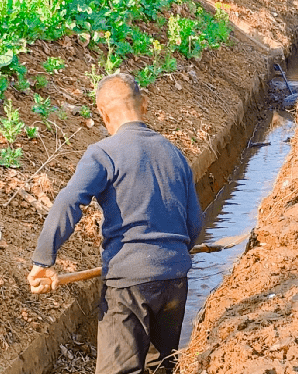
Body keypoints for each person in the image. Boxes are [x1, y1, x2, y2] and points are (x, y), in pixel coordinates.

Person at [27, 73, 204, 374]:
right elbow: (194, 223)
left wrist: (44, 258)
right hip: (175, 279)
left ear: (103, 114)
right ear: (144, 104)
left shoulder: (103, 153)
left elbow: (70, 200)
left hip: (128, 283)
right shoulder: (174, 154)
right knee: (161, 366)